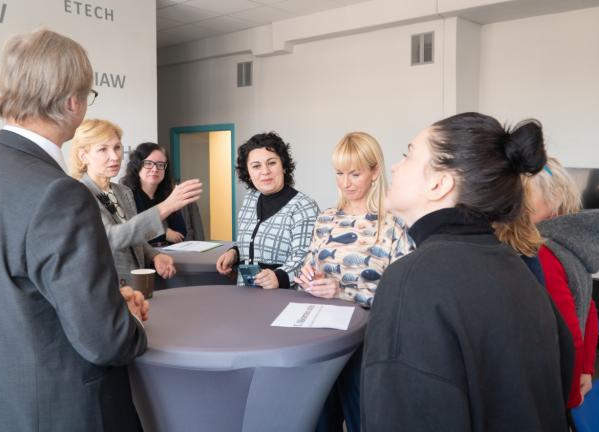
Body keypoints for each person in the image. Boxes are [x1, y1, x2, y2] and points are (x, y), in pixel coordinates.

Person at [0, 29, 149, 431]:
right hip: (65, 408)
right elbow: (105, 342)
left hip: (2, 402)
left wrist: (107, 301)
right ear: (73, 101)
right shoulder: (59, 193)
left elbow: (25, 295)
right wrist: (128, 322)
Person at [361, 112, 571, 431]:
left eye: (408, 154)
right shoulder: (515, 266)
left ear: (439, 183)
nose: (394, 166)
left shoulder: (411, 280)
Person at [294, 132, 413, 432]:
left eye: (355, 174)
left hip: (368, 341)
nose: (345, 183)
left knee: (364, 419)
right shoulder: (326, 218)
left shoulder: (393, 224)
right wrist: (308, 278)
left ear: (375, 172)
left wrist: (342, 291)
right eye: (339, 173)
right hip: (321, 337)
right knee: (319, 420)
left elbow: (404, 294)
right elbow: (310, 266)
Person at [69, 119, 202, 286]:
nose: (115, 156)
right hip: (106, 287)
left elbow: (134, 236)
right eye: (103, 149)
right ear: (83, 156)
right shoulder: (77, 193)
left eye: (117, 147)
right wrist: (166, 206)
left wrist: (154, 255)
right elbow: (111, 238)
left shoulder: (123, 191)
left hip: (135, 286)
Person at [529, 157, 599, 408]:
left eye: (524, 195)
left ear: (554, 199)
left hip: (552, 386)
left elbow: (568, 333)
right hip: (569, 375)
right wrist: (585, 368)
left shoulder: (542, 252)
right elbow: (588, 308)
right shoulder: (572, 244)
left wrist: (570, 397)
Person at [216, 132, 319, 289]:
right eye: (256, 166)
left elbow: (304, 259)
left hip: (283, 296)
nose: (265, 171)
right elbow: (252, 241)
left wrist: (278, 277)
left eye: (271, 163)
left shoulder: (304, 206)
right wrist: (234, 253)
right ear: (248, 173)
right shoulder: (250, 199)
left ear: (284, 166)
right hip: (245, 293)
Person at [121, 142, 188, 245]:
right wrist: (163, 233)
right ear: (137, 166)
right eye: (148, 163)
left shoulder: (168, 194)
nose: (155, 169)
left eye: (160, 164)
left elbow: (180, 233)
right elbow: (130, 233)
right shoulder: (126, 195)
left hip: (170, 252)